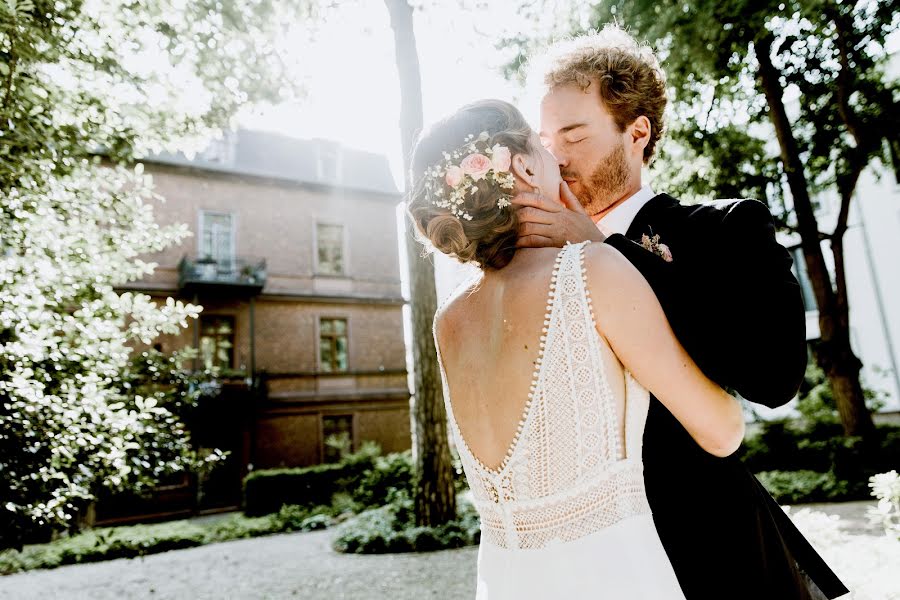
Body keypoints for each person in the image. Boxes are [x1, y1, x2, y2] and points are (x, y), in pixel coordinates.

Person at [513, 24, 848, 600]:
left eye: (573, 136)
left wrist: (604, 252)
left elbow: (774, 377)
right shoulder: (531, 263)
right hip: (584, 556)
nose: (556, 159)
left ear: (636, 132)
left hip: (709, 547)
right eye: (546, 141)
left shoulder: (724, 229)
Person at [408, 98, 747, 599]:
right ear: (523, 166)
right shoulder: (592, 271)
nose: (557, 160)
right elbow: (722, 433)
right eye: (543, 150)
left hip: (508, 582)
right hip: (616, 575)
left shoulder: (450, 320)